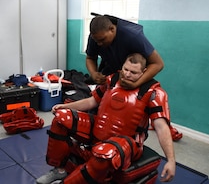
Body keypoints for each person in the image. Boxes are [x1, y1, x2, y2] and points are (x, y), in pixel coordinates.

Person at [36, 53, 176, 184]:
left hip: (128, 143)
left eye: (133, 72)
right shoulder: (113, 79)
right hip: (99, 130)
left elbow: (161, 127)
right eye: (125, 69)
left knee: (106, 153)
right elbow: (92, 101)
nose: (127, 74)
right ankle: (60, 170)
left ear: (144, 72)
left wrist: (171, 160)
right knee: (61, 118)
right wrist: (65, 107)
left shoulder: (154, 92)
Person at [86, 14, 182, 141]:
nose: (99, 43)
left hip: (137, 77)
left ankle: (163, 130)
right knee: (99, 105)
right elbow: (90, 58)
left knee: (145, 109)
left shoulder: (132, 36)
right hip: (114, 70)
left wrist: (136, 83)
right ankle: (95, 139)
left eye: (102, 40)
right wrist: (93, 73)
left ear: (112, 29)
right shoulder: (96, 36)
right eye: (97, 41)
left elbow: (158, 64)